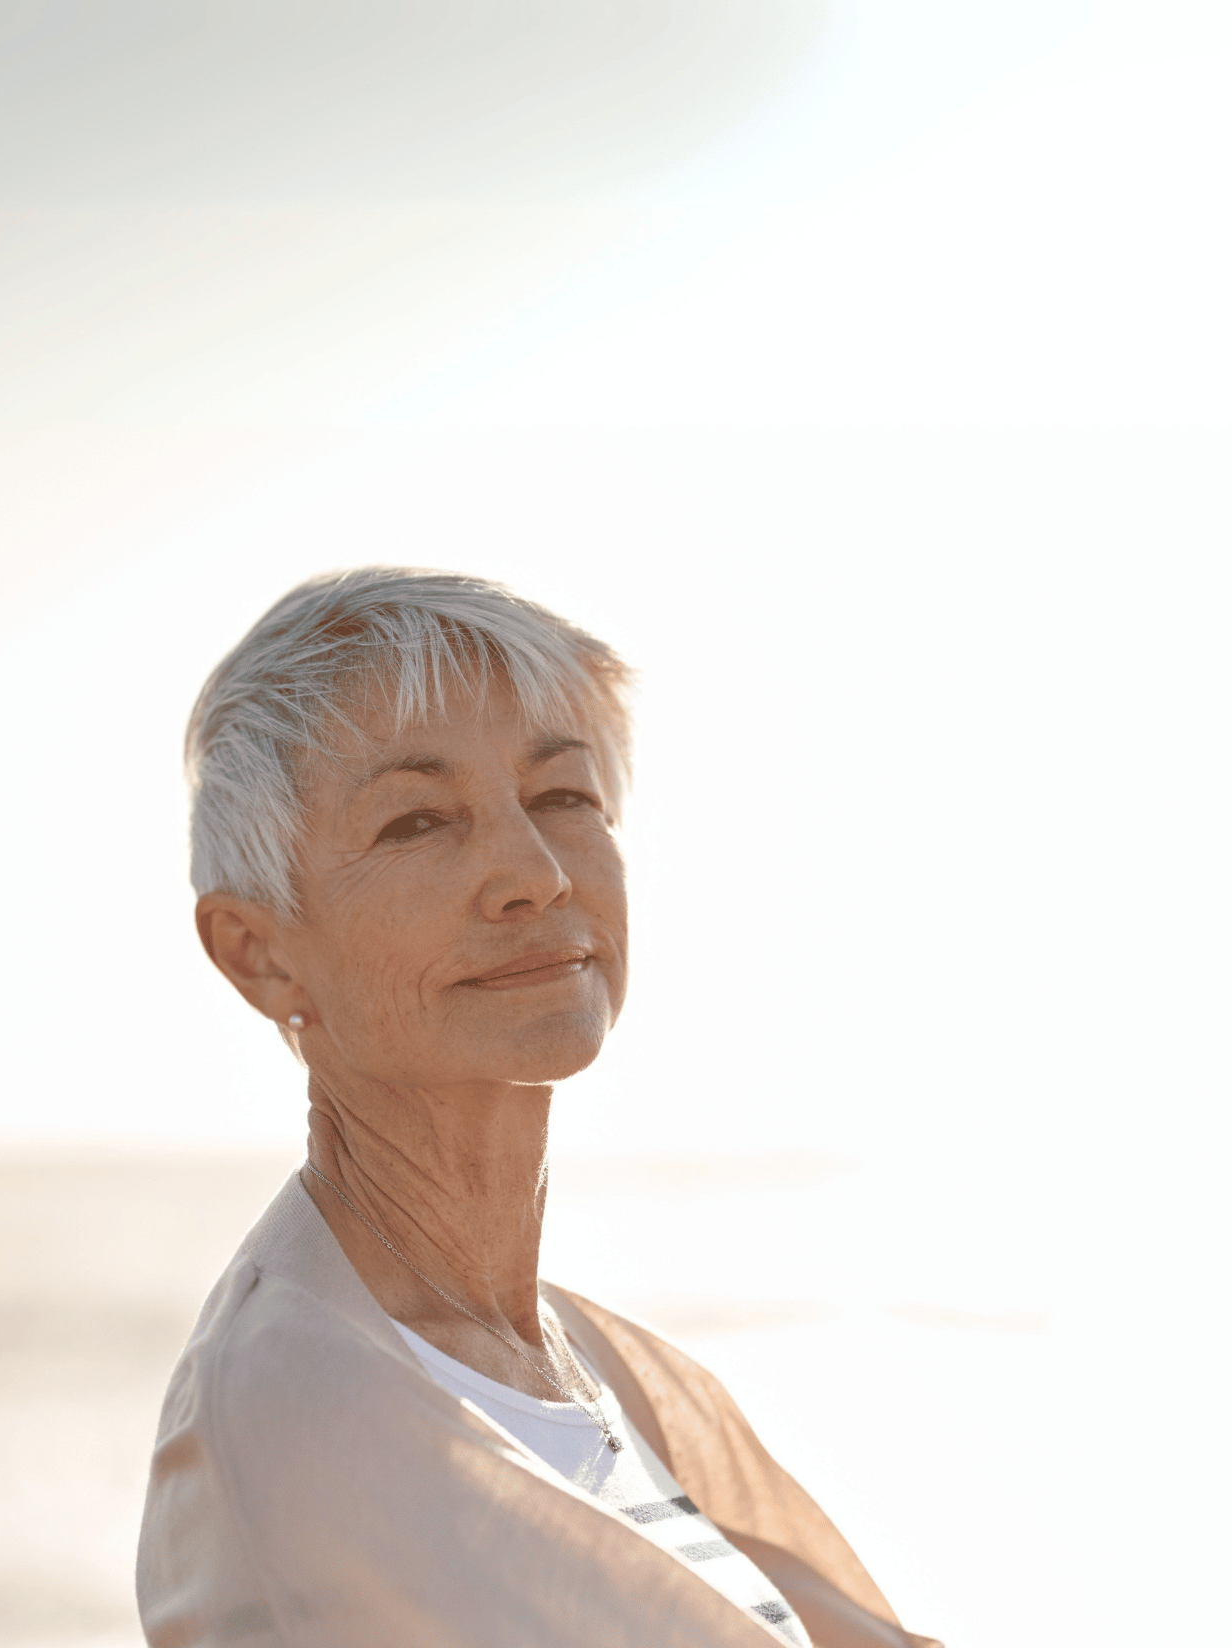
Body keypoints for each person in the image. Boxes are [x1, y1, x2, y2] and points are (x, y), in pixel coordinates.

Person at [137, 569, 938, 1648]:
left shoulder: (606, 1371)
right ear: (260, 951)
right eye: (418, 820)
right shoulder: (298, 1401)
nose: (533, 871)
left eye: (562, 796)